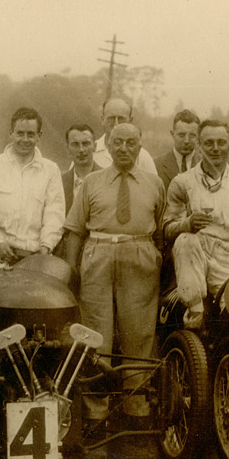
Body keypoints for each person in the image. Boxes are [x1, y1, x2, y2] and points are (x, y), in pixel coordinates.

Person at [61, 123, 166, 421]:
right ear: (107, 144)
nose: (123, 148)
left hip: (139, 255)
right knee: (96, 334)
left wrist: (153, 256)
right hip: (98, 255)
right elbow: (73, 230)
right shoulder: (91, 183)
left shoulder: (154, 183)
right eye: (117, 142)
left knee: (139, 334)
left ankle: (137, 407)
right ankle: (96, 409)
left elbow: (160, 228)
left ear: (140, 145)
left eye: (131, 142)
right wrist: (73, 270)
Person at [164, 119, 229, 329]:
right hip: (194, 260)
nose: (215, 148)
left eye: (221, 142)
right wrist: (187, 224)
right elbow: (167, 230)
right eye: (209, 143)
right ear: (199, 145)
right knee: (185, 239)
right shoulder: (183, 182)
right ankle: (195, 310)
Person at [0, 107, 65, 266]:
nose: (25, 139)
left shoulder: (51, 170)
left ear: (39, 136)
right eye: (20, 133)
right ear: (11, 133)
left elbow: (55, 215)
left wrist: (45, 248)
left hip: (34, 257)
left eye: (31, 134)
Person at [93, 97, 157, 176]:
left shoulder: (142, 156)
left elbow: (153, 185)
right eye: (111, 118)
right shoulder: (90, 152)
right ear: (102, 120)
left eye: (121, 119)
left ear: (130, 121)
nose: (116, 125)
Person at [154, 109, 202, 192]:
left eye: (192, 135)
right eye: (181, 135)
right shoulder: (156, 164)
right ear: (172, 134)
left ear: (198, 137)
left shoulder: (205, 165)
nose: (186, 140)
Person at [61, 123, 97, 214]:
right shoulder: (59, 181)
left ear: (95, 146)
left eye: (86, 144)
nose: (81, 150)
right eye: (75, 144)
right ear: (67, 149)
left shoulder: (108, 178)